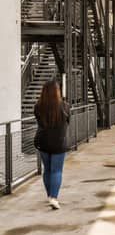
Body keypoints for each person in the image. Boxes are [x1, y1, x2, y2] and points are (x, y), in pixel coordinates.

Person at [33, 80, 70, 210]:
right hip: (58, 143)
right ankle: (54, 197)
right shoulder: (64, 106)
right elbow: (67, 122)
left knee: (47, 170)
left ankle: (49, 195)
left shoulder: (38, 106)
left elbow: (39, 121)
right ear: (57, 91)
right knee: (57, 170)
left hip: (42, 143)